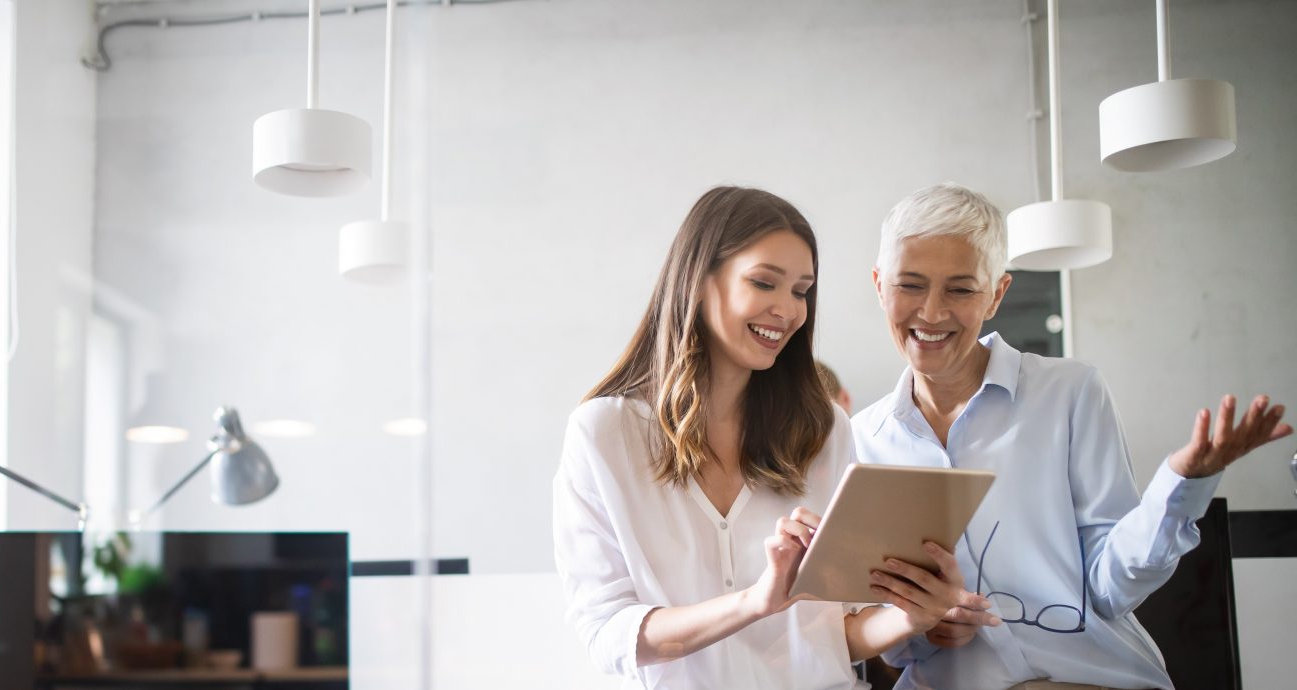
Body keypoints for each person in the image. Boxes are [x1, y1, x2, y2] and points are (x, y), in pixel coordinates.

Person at [852, 183, 1292, 690]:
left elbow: (1109, 589)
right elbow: (886, 635)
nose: (931, 312)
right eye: (910, 285)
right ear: (879, 285)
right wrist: (926, 628)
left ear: (996, 294)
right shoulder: (861, 440)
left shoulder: (1071, 392)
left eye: (960, 288)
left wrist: (1185, 482)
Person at [553, 186, 996, 689]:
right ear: (698, 282)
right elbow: (608, 634)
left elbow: (836, 632)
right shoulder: (605, 434)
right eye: (765, 283)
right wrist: (755, 602)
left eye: (801, 290)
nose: (788, 310)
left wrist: (914, 614)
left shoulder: (823, 429)